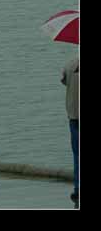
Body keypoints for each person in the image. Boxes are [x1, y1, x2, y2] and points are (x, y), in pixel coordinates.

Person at [62, 54, 79, 203]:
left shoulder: (70, 64)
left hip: (74, 116)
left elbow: (64, 81)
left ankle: (78, 188)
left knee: (77, 154)